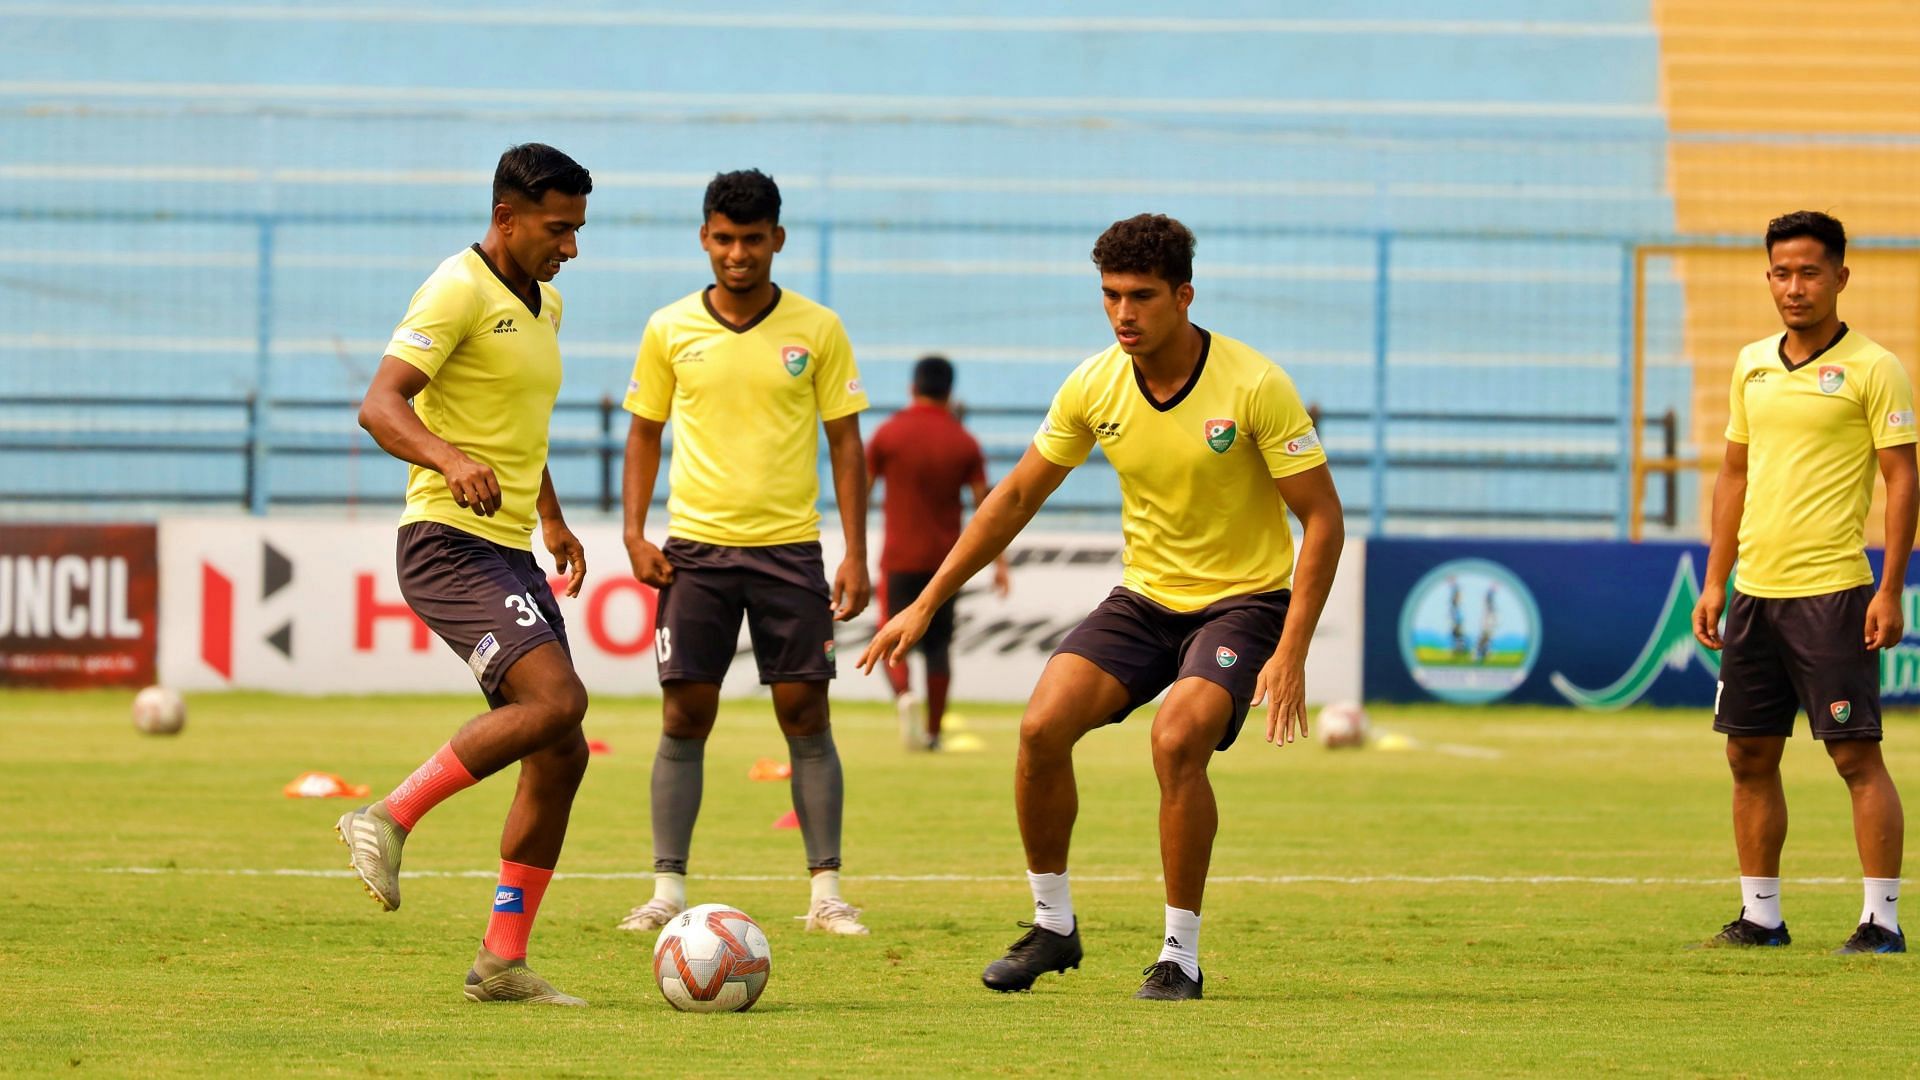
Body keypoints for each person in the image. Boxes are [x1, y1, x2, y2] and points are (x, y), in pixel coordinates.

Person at [860, 213, 1344, 999]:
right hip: (1144, 599)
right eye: (1112, 295)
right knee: (1040, 727)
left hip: (1243, 602)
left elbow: (1323, 519)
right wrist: (926, 602)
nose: (1124, 313)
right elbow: (1013, 496)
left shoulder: (1255, 385)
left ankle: (1179, 958)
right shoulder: (1094, 383)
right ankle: (1053, 927)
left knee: (1176, 736)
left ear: (1184, 295)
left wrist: (1290, 650)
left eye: (1143, 297)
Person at [337, 143, 595, 1004]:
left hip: (510, 542)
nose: (570, 247)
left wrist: (551, 516)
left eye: (578, 230)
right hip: (447, 541)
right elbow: (380, 404)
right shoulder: (455, 288)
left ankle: (500, 963)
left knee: (561, 752)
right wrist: (448, 459)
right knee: (558, 703)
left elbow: (519, 424)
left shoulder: (545, 303)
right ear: (507, 217)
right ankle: (385, 817)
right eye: (558, 229)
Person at [617, 169, 873, 936]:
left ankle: (826, 892)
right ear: (704, 237)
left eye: (752, 240)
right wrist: (634, 532)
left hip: (790, 549)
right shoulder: (669, 328)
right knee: (685, 711)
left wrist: (856, 551)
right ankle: (666, 889)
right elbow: (643, 432)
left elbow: (846, 443)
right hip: (694, 550)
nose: (737, 254)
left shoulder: (818, 329)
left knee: (804, 710)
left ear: (777, 241)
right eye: (724, 239)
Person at [1692, 210, 1915, 954]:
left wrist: (1890, 587)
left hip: (1834, 593)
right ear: (1768, 278)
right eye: (1782, 272)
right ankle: (1761, 917)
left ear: (1840, 278)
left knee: (1854, 755)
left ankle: (1880, 922)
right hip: (1755, 594)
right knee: (1747, 755)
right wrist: (1716, 579)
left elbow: (1902, 479)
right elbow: (1733, 473)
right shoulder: (1752, 361)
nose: (1795, 286)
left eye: (1810, 271)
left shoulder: (1874, 368)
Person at [866, 354, 1011, 750]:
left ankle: (903, 695)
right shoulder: (964, 442)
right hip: (946, 564)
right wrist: (1000, 564)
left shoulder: (887, 434)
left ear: (913, 388)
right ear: (950, 393)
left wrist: (854, 551)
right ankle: (932, 732)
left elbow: (858, 491)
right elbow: (989, 508)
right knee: (937, 646)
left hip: (898, 557)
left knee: (889, 634)